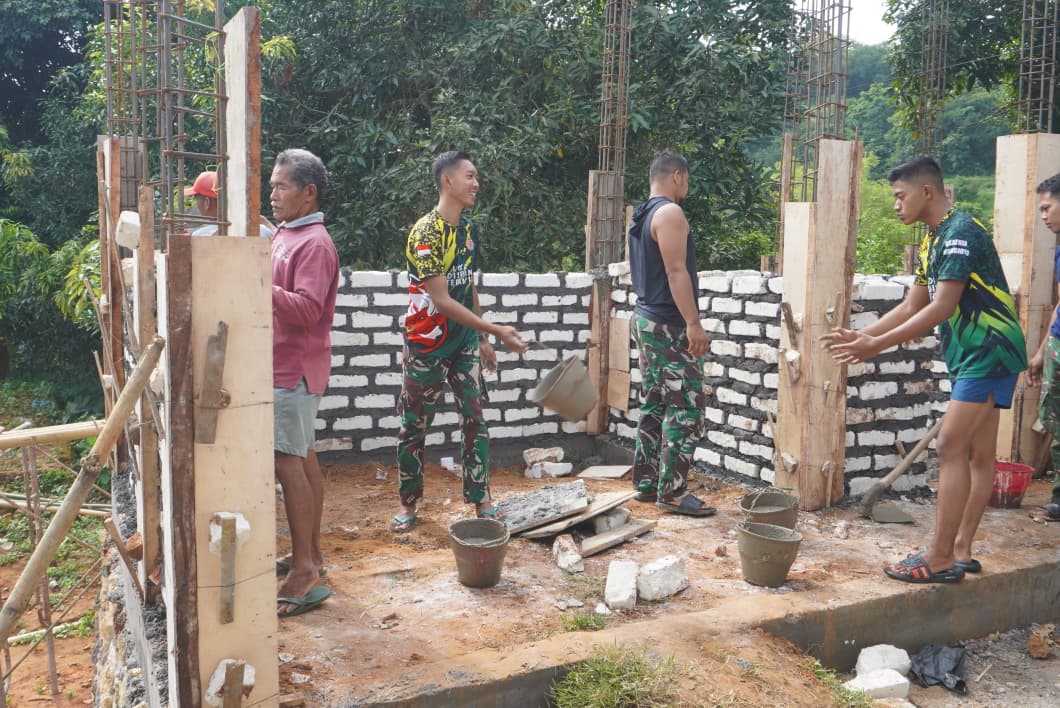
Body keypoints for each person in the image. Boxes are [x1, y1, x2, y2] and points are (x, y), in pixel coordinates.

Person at [825, 157, 1027, 583]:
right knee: (978, 453)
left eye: (901, 196)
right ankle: (961, 551)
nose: (896, 205)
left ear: (927, 192)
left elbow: (942, 306)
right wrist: (863, 336)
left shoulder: (959, 234)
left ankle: (938, 557)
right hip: (975, 353)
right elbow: (911, 304)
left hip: (988, 351)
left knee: (950, 446)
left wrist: (874, 346)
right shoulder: (933, 242)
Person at [391, 151, 527, 532]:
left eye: (476, 176)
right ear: (447, 181)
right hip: (426, 346)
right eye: (470, 175)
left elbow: (467, 286)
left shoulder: (466, 231)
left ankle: (482, 501)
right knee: (414, 425)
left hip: (464, 343)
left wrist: (483, 337)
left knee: (475, 420)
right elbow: (442, 299)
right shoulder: (425, 233)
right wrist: (498, 330)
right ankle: (409, 504)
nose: (476, 183)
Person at [627, 150, 715, 517]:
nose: (687, 187)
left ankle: (647, 482)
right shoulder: (670, 213)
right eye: (687, 180)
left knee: (656, 400)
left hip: (645, 319)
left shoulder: (641, 214)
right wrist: (693, 324)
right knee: (687, 406)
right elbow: (676, 272)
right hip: (667, 324)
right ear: (677, 176)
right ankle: (674, 492)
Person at [270, 149, 339, 615]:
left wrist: (256, 280)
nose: (272, 194)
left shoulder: (313, 243)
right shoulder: (287, 233)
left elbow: (309, 309)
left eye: (281, 187)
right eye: (272, 186)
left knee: (286, 462)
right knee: (304, 457)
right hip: (290, 366)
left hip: (291, 370)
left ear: (307, 192)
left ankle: (304, 575)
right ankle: (309, 555)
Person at [1024, 173, 1060, 521]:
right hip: (1058, 346)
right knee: (1057, 423)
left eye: (1048, 208)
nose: (1044, 216)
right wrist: (1041, 351)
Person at [184, 170, 275, 237]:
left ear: (207, 203)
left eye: (197, 199)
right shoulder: (263, 231)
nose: (196, 204)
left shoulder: (200, 236)